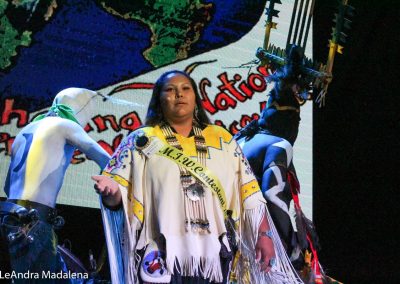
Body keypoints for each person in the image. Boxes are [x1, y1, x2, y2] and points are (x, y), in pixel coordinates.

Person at [93, 70, 302, 283]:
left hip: (214, 254)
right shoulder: (141, 140)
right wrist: (111, 192)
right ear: (159, 98)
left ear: (195, 97)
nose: (179, 94)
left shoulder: (223, 139)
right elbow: (118, 194)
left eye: (185, 89)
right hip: (162, 252)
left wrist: (264, 236)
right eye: (170, 90)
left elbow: (249, 193)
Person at [0, 88, 110, 282]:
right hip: (34, 223)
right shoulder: (65, 125)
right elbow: (108, 161)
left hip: (8, 218)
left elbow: (8, 187)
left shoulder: (24, 131)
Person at [235, 45, 324, 282]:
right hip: (258, 246)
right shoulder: (279, 145)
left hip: (226, 239)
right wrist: (292, 246)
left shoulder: (241, 140)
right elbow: (272, 194)